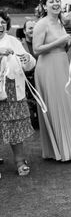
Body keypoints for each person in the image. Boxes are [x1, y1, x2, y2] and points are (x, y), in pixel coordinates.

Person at [33, 0, 71, 162]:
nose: (55, 4)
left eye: (57, 1)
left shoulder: (60, 23)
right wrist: (60, 41)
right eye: (51, 1)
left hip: (61, 65)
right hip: (47, 68)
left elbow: (61, 47)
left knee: (66, 104)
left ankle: (69, 146)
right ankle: (59, 150)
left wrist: (68, 43)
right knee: (55, 105)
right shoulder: (42, 24)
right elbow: (37, 49)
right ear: (44, 6)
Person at [0, 10, 36, 177]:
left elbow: (28, 64)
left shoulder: (13, 41)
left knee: (14, 127)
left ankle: (20, 161)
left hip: (12, 91)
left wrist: (27, 60)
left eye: (2, 22)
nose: (0, 25)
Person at [19, 17, 39, 129]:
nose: (33, 30)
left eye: (35, 28)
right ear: (24, 31)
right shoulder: (20, 45)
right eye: (30, 28)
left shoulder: (41, 42)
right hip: (28, 78)